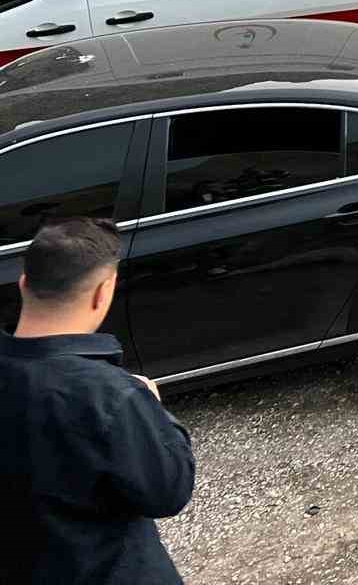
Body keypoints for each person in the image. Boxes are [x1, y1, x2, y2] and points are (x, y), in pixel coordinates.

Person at [1, 217, 196, 585]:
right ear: (102, 292)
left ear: (24, 282)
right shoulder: (112, 396)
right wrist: (156, 412)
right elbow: (168, 491)